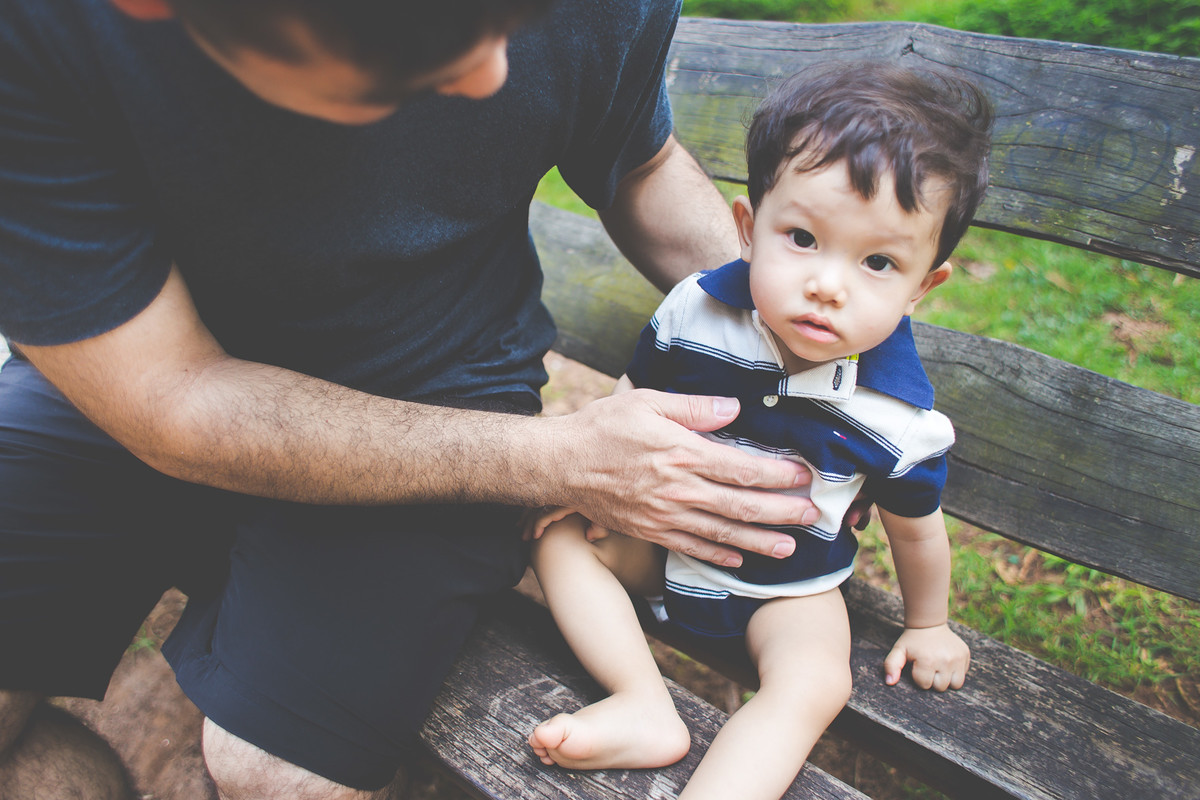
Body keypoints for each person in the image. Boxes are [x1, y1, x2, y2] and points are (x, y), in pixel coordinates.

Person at [0, 1, 833, 798]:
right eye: (405, 41)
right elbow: (171, 398)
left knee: (279, 776)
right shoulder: (31, 34)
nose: (491, 74)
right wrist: (561, 458)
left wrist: (823, 367)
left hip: (440, 388)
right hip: (134, 372)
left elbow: (638, 160)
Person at [525, 61, 994, 800]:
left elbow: (916, 533)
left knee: (815, 682)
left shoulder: (899, 417)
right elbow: (636, 399)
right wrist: (590, 477)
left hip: (787, 592)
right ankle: (641, 701)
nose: (827, 284)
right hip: (663, 541)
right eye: (802, 237)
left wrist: (929, 624)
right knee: (557, 538)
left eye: (878, 261)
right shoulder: (695, 312)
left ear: (922, 286)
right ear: (749, 230)